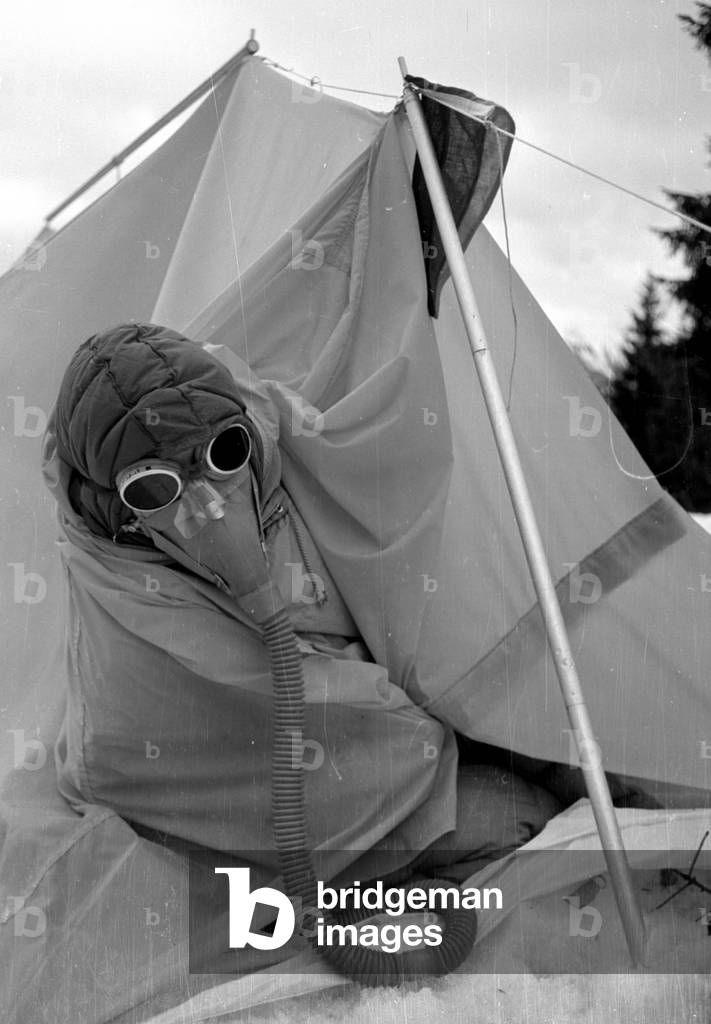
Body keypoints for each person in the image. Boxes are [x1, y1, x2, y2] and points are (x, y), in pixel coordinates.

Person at [43, 321, 561, 896]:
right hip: (298, 823)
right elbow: (132, 758)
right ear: (113, 507)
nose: (211, 505)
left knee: (551, 730)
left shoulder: (289, 449)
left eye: (224, 453)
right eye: (155, 488)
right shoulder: (124, 603)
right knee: (520, 814)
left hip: (401, 729)